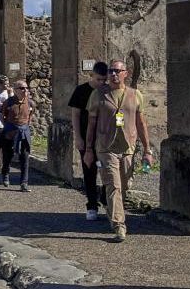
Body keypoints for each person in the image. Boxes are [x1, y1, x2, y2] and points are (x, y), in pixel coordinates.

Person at [84, 59, 154, 243]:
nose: (113, 74)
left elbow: (141, 123)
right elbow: (91, 123)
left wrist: (147, 150)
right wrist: (88, 149)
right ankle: (119, 225)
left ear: (125, 74)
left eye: (117, 71)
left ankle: (111, 207)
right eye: (111, 71)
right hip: (105, 148)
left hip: (127, 148)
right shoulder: (98, 94)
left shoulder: (135, 95)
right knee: (114, 186)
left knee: (124, 186)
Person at [69, 61, 109, 221]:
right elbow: (75, 115)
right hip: (86, 138)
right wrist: (78, 137)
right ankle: (92, 205)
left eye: (104, 80)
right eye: (98, 79)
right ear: (91, 75)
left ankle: (106, 199)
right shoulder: (81, 90)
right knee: (89, 171)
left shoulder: (108, 91)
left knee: (108, 170)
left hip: (104, 139)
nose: (101, 83)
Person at [0, 80, 34, 191]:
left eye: (26, 88)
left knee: (25, 157)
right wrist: (8, 127)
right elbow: (1, 116)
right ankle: (5, 174)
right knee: (7, 156)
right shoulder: (8, 102)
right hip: (10, 133)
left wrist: (26, 126)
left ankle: (24, 183)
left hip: (24, 133)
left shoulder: (30, 103)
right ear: (15, 90)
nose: (25, 90)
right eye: (22, 88)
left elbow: (31, 115)